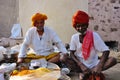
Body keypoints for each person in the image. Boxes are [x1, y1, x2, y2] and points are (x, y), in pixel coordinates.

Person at [60, 10, 117, 79]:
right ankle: (85, 73)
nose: (80, 28)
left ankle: (93, 72)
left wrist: (99, 66)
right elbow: (72, 53)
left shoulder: (94, 35)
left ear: (87, 25)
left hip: (94, 64)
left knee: (113, 60)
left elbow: (106, 51)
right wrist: (81, 65)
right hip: (80, 66)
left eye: (83, 25)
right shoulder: (74, 37)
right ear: (75, 26)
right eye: (78, 26)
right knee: (63, 58)